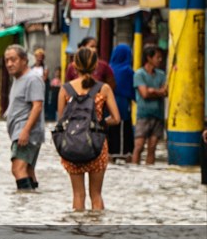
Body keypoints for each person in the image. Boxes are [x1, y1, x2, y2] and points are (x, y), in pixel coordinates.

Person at [58, 46, 121, 210]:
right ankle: (96, 232)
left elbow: (61, 122)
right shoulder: (103, 88)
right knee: (96, 195)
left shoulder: (65, 89)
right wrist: (99, 124)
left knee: (78, 195)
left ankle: (77, 234)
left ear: (74, 66)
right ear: (95, 66)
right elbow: (116, 118)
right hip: (97, 146)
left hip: (72, 146)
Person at [3, 44, 45, 191]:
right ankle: (31, 206)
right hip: (20, 132)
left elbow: (37, 106)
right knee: (27, 170)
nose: (9, 64)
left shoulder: (32, 79)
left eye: (13, 60)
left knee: (17, 169)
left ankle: (23, 204)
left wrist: (26, 131)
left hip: (26, 133)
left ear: (24, 60)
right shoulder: (18, 79)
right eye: (7, 60)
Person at [131, 45, 168, 165]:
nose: (160, 60)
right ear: (149, 58)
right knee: (139, 146)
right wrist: (157, 92)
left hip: (158, 114)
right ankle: (134, 171)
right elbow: (145, 93)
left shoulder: (161, 74)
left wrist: (152, 91)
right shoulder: (139, 74)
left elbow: (165, 92)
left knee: (152, 148)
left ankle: (148, 171)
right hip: (143, 114)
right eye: (157, 57)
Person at [107, 43, 135, 161]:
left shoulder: (109, 68)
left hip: (107, 106)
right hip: (122, 106)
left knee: (110, 133)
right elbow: (132, 91)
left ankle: (110, 155)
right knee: (124, 134)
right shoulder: (128, 71)